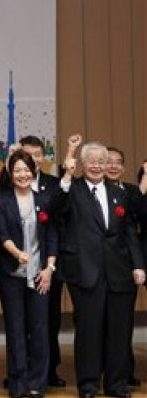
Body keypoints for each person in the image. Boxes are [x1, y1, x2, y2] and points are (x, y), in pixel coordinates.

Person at [55, 136, 145, 398]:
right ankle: (88, 384)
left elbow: (129, 231)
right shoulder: (72, 190)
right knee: (88, 332)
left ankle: (116, 384)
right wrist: (65, 178)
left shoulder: (120, 193)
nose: (96, 166)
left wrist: (138, 265)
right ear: (82, 164)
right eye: (91, 162)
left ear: (108, 164)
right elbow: (55, 209)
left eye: (101, 161)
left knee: (119, 332)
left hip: (119, 273)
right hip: (85, 272)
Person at [0, 150, 58, 398]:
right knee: (16, 329)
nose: (22, 174)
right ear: (10, 173)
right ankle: (18, 382)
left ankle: (37, 383)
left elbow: (52, 235)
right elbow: (1, 234)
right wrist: (17, 253)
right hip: (12, 274)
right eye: (17, 170)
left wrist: (50, 268)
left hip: (41, 274)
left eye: (26, 169)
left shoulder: (44, 199)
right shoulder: (1, 201)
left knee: (40, 329)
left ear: (34, 171)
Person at [105, 147, 145, 389]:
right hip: (98, 268)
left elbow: (138, 218)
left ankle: (124, 372)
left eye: (118, 162)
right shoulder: (92, 190)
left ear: (123, 166)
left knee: (122, 325)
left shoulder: (130, 191)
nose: (113, 166)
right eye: (108, 161)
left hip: (125, 266)